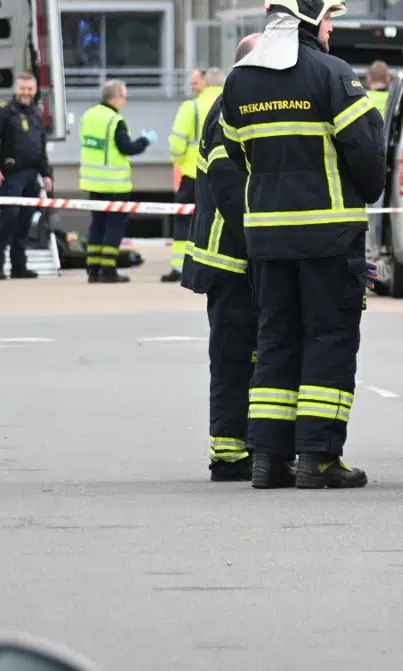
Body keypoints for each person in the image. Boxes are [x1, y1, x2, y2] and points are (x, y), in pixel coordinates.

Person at [221, 0, 386, 491]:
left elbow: (232, 155)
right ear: (309, 13)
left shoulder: (239, 79)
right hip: (329, 237)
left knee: (275, 341)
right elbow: (366, 155)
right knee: (329, 340)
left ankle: (269, 459)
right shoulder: (333, 75)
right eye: (330, 18)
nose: (332, 29)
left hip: (266, 238)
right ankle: (319, 457)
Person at [183, 34, 264, 482]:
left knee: (250, 353)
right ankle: (230, 452)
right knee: (235, 355)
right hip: (229, 256)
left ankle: (246, 442)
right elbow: (231, 187)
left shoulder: (234, 104)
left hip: (238, 254)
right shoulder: (227, 109)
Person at [78, 80, 155, 283]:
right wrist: (145, 140)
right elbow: (127, 148)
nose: (125, 101)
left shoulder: (88, 115)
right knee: (114, 227)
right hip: (114, 183)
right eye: (125, 97)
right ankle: (108, 270)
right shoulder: (115, 120)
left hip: (93, 182)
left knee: (97, 225)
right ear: (116, 97)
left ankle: (93, 269)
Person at [0, 72, 53, 279]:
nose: (26, 92)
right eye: (23, 88)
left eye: (30, 89)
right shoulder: (5, 111)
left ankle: (18, 266)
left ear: (35, 91)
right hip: (11, 175)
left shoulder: (36, 113)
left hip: (32, 175)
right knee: (8, 218)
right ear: (16, 89)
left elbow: (41, 148)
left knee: (25, 221)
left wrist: (47, 174)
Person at [165, 68, 224, 282]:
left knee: (184, 220)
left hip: (193, 173)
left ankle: (180, 266)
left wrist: (181, 161)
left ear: (206, 84)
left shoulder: (192, 107)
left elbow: (177, 142)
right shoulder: (233, 104)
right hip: (223, 176)